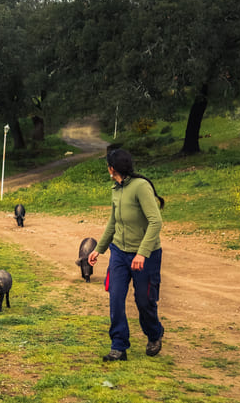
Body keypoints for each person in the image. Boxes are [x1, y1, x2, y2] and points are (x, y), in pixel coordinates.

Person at [88, 148, 165, 361]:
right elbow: (113, 222)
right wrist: (99, 249)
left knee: (144, 301)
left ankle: (154, 334)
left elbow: (155, 221)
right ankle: (119, 346)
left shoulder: (141, 187)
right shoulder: (116, 189)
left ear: (112, 168)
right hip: (119, 254)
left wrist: (142, 253)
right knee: (115, 298)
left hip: (145, 256)